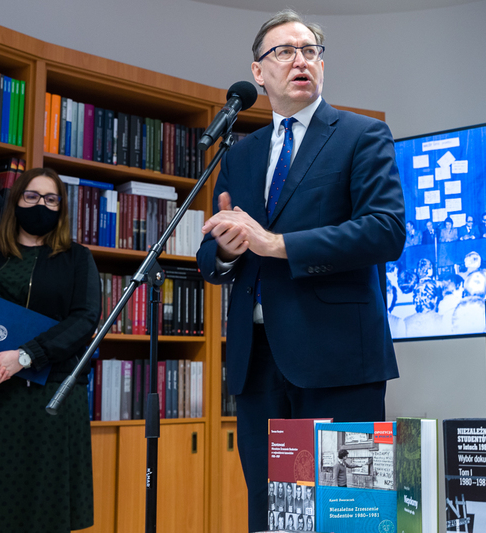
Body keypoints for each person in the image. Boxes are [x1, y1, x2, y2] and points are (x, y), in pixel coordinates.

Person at [195, 10, 405, 531]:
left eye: (310, 50)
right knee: (275, 516)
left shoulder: (362, 135)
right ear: (258, 72)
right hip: (258, 364)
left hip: (338, 361)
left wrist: (277, 244)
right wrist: (225, 250)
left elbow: (385, 231)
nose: (300, 60)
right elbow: (215, 259)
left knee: (347, 517)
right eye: (284, 52)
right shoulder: (240, 156)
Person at [0, 168, 100, 533]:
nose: (41, 205)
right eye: (32, 196)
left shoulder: (77, 258)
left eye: (51, 199)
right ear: (15, 201)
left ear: (61, 208)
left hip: (48, 401)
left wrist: (25, 355)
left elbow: (85, 320)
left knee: (42, 513)